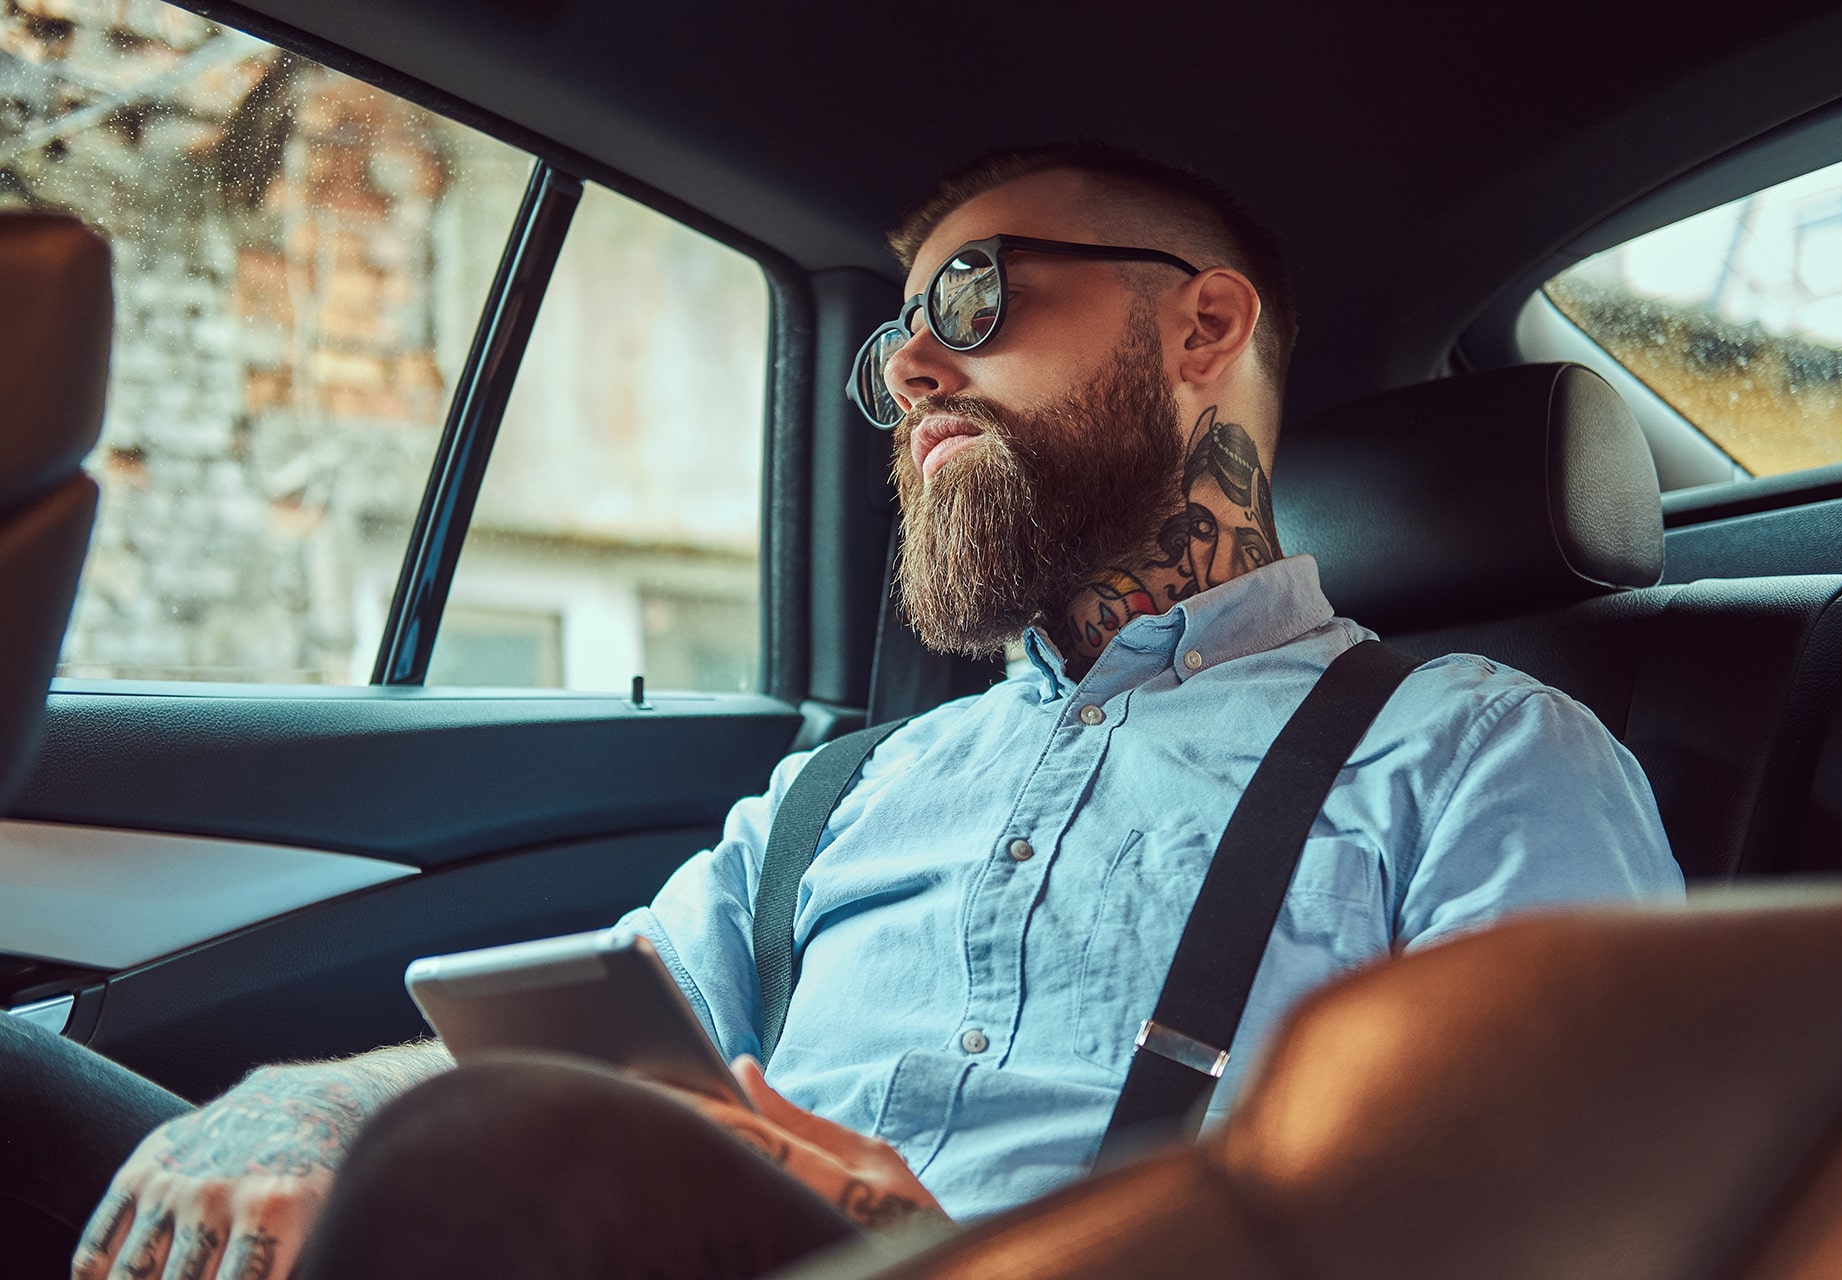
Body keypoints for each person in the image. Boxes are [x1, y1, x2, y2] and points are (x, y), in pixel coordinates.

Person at [5, 143, 1681, 1280]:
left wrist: (951, 1244)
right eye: (897, 347)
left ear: (1204, 325)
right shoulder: (844, 798)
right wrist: (293, 1110)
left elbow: (1581, 1225)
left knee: (503, 1162)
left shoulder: (1478, 756)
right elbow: (567, 1049)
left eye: (973, 301)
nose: (919, 372)